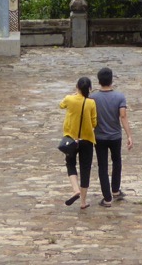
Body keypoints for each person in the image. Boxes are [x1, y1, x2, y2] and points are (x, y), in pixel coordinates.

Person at [92, 66, 133, 207]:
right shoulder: (119, 97)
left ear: (99, 81)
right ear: (111, 80)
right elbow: (123, 116)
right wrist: (129, 135)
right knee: (117, 161)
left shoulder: (93, 98)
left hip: (99, 136)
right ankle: (115, 189)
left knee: (102, 166)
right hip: (115, 135)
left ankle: (107, 198)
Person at [59, 76, 97, 209]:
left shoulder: (70, 99)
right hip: (87, 139)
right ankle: (83, 202)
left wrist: (74, 95)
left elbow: (61, 105)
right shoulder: (91, 103)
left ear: (77, 87)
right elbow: (94, 122)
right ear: (89, 88)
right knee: (85, 169)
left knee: (70, 164)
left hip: (71, 139)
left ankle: (75, 189)